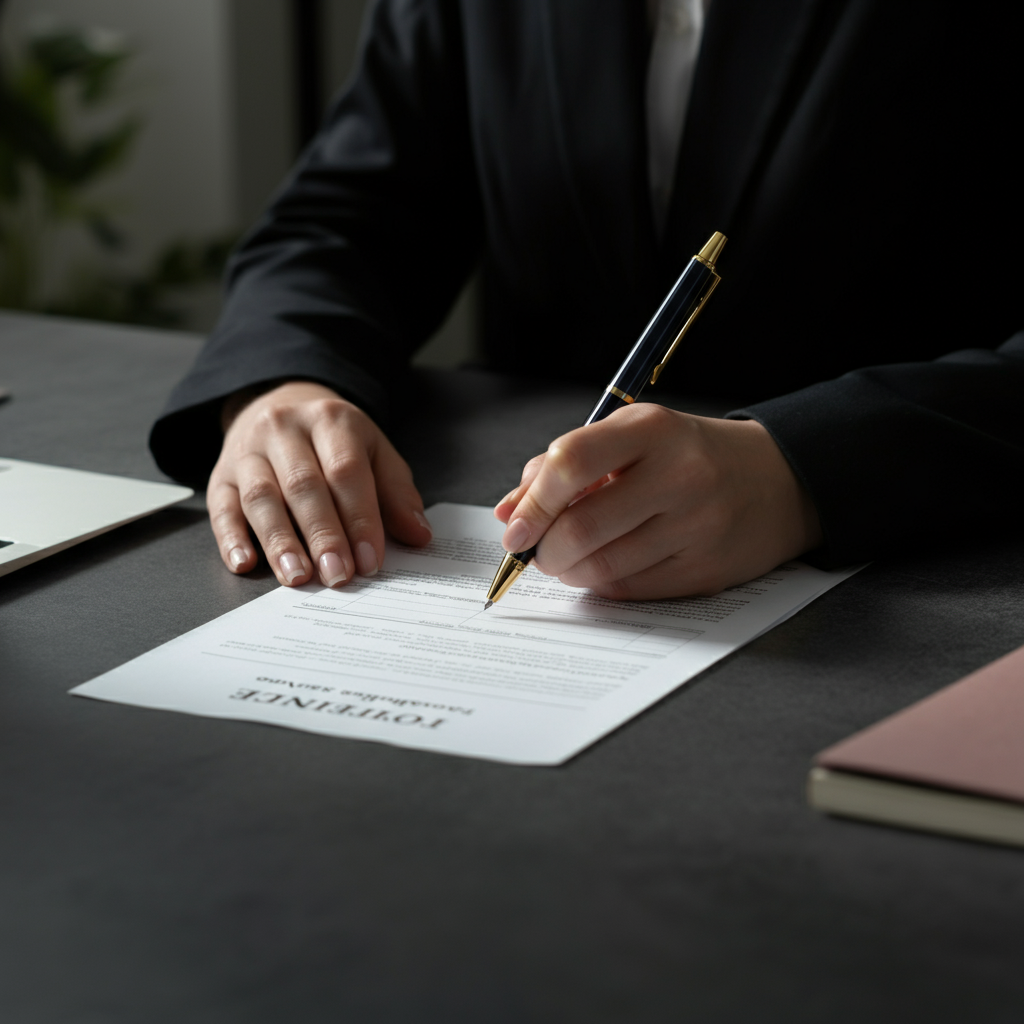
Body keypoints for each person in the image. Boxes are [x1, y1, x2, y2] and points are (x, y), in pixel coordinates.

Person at [150, 0, 1024, 600]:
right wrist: (285, 381)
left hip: (932, 578)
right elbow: (352, 213)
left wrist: (802, 468)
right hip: (545, 510)